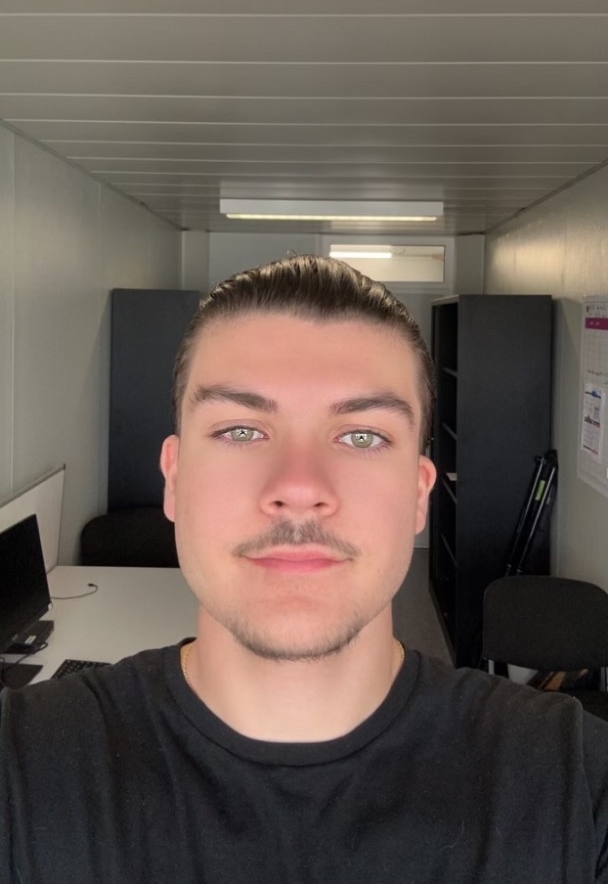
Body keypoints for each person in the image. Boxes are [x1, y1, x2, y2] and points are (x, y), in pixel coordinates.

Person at [1, 253, 608, 884]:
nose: (298, 487)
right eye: (240, 431)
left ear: (418, 495)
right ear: (174, 480)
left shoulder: (572, 783)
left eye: (362, 436)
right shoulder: (24, 765)